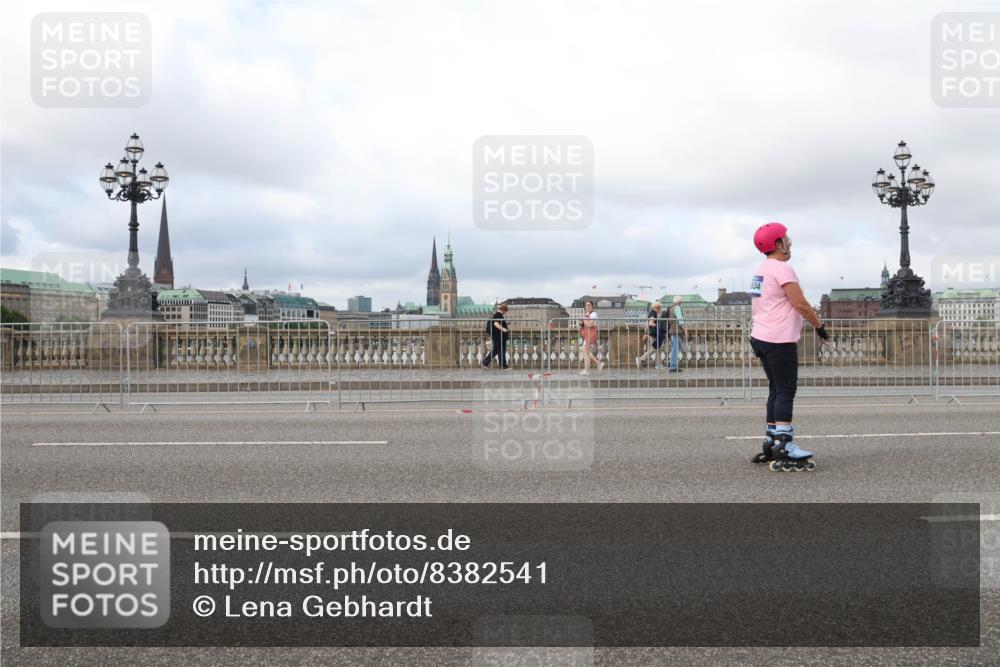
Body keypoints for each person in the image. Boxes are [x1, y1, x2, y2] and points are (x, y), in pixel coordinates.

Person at [748, 222, 829, 472]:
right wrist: (819, 326)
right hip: (779, 338)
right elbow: (801, 304)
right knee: (785, 390)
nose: (790, 242)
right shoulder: (782, 269)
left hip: (760, 336)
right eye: (785, 238)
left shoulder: (760, 271)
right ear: (778, 244)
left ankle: (772, 437)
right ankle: (784, 443)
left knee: (775, 389)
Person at [482, 303, 510, 369]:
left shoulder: (497, 315)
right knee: (501, 351)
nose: (505, 313)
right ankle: (503, 366)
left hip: (497, 336)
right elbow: (496, 323)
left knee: (496, 351)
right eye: (506, 311)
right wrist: (503, 329)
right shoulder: (498, 315)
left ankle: (485, 362)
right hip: (499, 337)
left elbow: (497, 323)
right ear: (503, 310)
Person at [636, 302, 664, 369]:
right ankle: (641, 358)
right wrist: (657, 325)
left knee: (657, 348)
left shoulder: (650, 313)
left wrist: (645, 333)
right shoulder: (653, 313)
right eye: (660, 308)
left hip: (650, 333)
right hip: (653, 333)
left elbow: (647, 324)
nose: (660, 310)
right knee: (654, 348)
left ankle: (659, 365)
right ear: (657, 308)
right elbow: (651, 323)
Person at [579, 300, 603, 375]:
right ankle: (599, 363)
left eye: (589, 305)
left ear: (592, 306)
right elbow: (583, 323)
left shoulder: (594, 314)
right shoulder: (587, 314)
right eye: (586, 305)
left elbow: (589, 325)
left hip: (590, 334)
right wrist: (584, 322)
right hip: (587, 334)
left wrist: (584, 320)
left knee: (585, 353)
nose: (587, 306)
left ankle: (587, 371)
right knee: (586, 352)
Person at [665, 295, 685, 372]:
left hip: (673, 330)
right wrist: (685, 330)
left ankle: (672, 363)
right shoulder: (677, 308)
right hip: (676, 331)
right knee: (675, 348)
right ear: (680, 302)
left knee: (677, 347)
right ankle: (673, 366)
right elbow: (681, 320)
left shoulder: (671, 308)